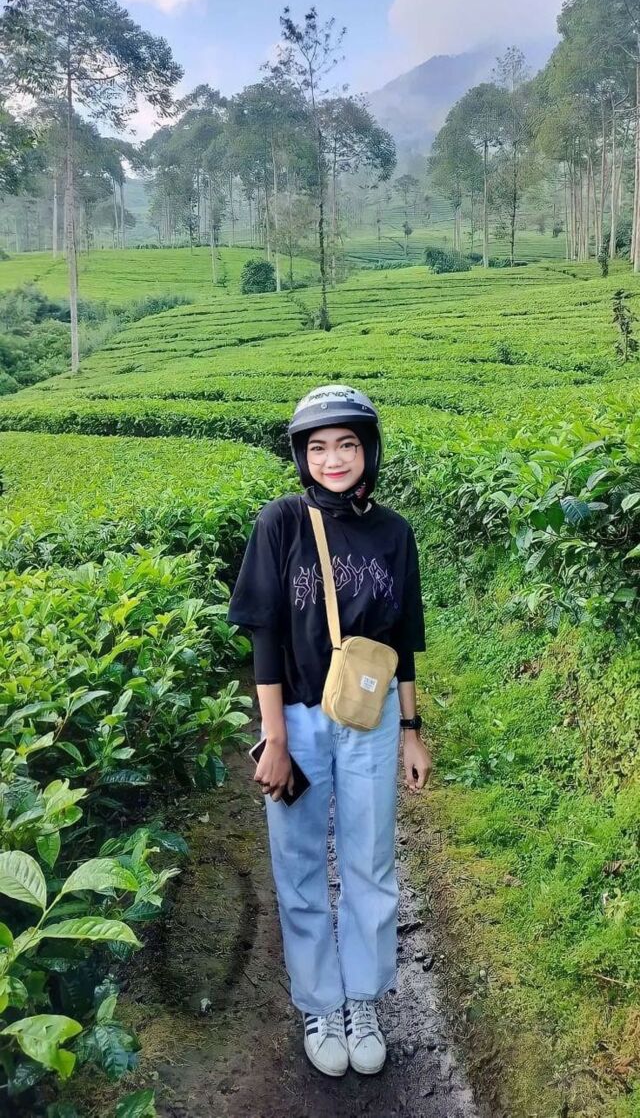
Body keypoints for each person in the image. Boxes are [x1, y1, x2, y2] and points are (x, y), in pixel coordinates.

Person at [227, 384, 432, 1078]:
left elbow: (403, 642)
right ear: (302, 456)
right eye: (318, 447)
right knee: (300, 866)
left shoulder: (395, 533)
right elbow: (264, 635)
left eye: (347, 444)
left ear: (368, 450)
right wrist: (275, 738)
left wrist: (411, 729)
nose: (333, 458)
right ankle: (321, 1002)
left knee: (371, 861)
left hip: (370, 721)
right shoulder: (281, 521)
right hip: (299, 722)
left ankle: (362, 1000)